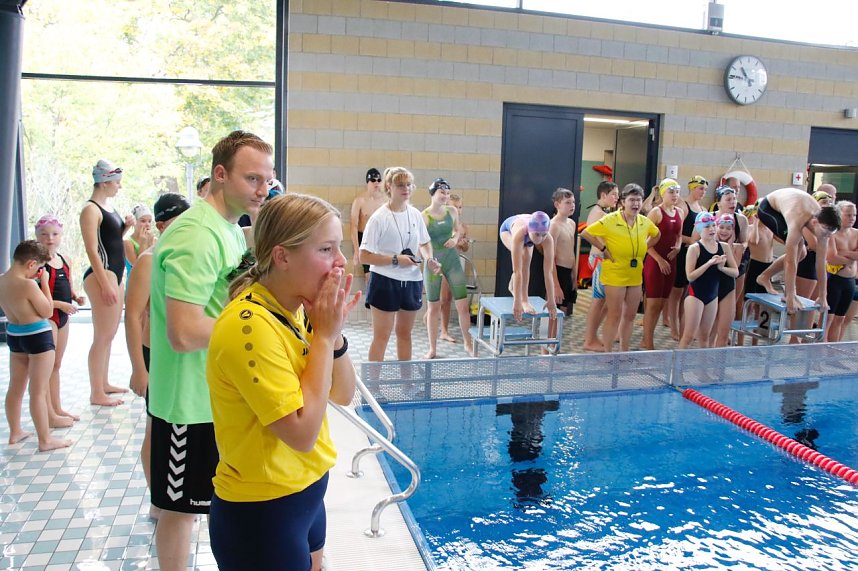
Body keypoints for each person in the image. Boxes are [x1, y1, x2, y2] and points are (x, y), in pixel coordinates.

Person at [207, 193, 359, 571]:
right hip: (261, 514)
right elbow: (301, 433)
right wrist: (323, 337)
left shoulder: (295, 309)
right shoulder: (249, 327)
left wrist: (333, 335)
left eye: (338, 248)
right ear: (282, 256)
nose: (340, 261)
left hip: (305, 494)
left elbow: (343, 393)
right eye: (326, 249)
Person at [148, 131, 275, 571]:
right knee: (180, 510)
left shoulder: (228, 228)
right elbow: (182, 332)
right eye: (253, 178)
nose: (264, 189)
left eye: (268, 179)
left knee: (215, 503)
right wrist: (257, 329)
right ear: (220, 175)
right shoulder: (198, 235)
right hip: (188, 402)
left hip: (213, 396)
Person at [124, 193, 190, 520]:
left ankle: (175, 498)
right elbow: (133, 315)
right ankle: (157, 501)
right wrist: (139, 369)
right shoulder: (149, 259)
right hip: (155, 355)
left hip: (181, 356)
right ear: (162, 225)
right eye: (180, 222)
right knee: (156, 429)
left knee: (176, 426)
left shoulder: (185, 255)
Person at [360, 167, 440, 362]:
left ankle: (406, 383)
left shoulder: (415, 215)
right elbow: (364, 256)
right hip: (385, 280)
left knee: (405, 334)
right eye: (400, 185)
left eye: (409, 185)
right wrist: (396, 259)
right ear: (389, 187)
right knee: (382, 337)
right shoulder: (379, 218)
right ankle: (373, 385)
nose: (406, 189)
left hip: (411, 280)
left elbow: (424, 242)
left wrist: (429, 258)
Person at [0, 240, 72, 451]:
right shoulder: (29, 284)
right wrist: (45, 284)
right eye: (40, 268)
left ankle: (15, 432)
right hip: (38, 335)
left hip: (14, 334)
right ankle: (45, 440)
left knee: (16, 387)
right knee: (38, 391)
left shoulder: (2, 281)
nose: (39, 272)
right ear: (31, 264)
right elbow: (47, 311)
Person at [581, 183, 660, 352]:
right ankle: (608, 352)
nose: (636, 204)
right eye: (631, 200)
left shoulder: (644, 222)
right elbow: (586, 233)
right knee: (614, 314)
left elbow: (657, 234)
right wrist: (603, 249)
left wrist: (645, 246)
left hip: (634, 275)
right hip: (615, 274)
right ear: (623, 202)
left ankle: (624, 351)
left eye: (638, 200)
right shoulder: (610, 220)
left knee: (630, 316)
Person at [80, 159, 133, 406]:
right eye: (116, 182)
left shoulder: (105, 207)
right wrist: (105, 283)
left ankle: (104, 383)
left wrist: (126, 228)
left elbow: (110, 241)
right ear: (104, 181)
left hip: (114, 272)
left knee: (109, 334)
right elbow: (92, 249)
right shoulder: (90, 210)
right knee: (102, 335)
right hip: (103, 274)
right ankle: (95, 392)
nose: (119, 187)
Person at [755, 187, 841, 313]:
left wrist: (823, 296)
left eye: (830, 234)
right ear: (815, 222)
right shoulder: (798, 220)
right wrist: (790, 295)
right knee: (798, 248)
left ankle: (764, 276)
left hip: (792, 202)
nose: (826, 236)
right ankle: (777, 285)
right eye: (825, 232)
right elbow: (790, 261)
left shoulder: (824, 230)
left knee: (802, 253)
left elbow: (822, 262)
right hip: (769, 207)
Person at [34, 215, 84, 425]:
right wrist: (61, 305)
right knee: (46, 368)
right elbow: (35, 300)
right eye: (44, 235)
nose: (50, 239)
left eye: (55, 234)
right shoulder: (36, 264)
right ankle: (48, 414)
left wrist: (75, 296)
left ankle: (57, 407)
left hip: (63, 316)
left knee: (56, 365)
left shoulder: (63, 260)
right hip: (48, 317)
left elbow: (67, 285)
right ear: (37, 237)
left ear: (61, 236)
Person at [422, 178, 474, 358]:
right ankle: (432, 349)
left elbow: (457, 230)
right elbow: (422, 244)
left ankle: (468, 343)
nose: (444, 196)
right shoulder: (424, 216)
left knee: (462, 305)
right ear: (433, 193)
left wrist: (454, 238)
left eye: (447, 193)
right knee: (433, 307)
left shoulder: (452, 211)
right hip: (433, 265)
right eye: (441, 193)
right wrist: (429, 259)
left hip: (452, 261)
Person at [678, 212, 738, 349]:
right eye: (707, 227)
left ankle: (702, 371)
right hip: (695, 296)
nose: (711, 229)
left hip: (712, 297)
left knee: (705, 337)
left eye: (713, 226)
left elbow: (735, 272)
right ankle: (676, 370)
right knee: (689, 336)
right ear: (699, 229)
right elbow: (690, 276)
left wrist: (722, 268)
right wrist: (709, 264)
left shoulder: (724, 247)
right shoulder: (695, 248)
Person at [641, 178, 683, 350]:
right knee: (652, 303)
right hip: (655, 262)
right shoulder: (656, 213)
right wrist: (658, 259)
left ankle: (648, 337)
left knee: (662, 303)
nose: (675, 195)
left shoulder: (680, 212)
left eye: (677, 192)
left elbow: (679, 235)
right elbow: (644, 241)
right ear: (663, 193)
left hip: (671, 262)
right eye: (671, 192)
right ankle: (647, 341)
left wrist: (679, 248)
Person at [667, 175, 708, 341]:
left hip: (696, 254)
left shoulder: (704, 209)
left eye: (705, 189)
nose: (703, 192)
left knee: (687, 293)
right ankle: (673, 327)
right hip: (683, 253)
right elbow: (675, 232)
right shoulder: (682, 205)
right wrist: (689, 240)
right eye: (701, 189)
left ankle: (685, 327)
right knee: (676, 293)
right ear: (692, 188)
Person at [499, 211, 558, 322]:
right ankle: (520, 296)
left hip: (528, 235)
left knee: (526, 263)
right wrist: (517, 302)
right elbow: (517, 271)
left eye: (543, 234)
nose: (540, 239)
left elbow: (548, 272)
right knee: (521, 259)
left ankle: (524, 299)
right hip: (507, 230)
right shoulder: (519, 234)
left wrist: (551, 299)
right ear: (531, 230)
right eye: (537, 234)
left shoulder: (548, 239)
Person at [581, 181, 619, 351]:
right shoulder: (598, 213)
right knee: (598, 302)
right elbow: (587, 234)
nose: (616, 198)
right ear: (603, 195)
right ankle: (589, 340)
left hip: (602, 260)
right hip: (599, 260)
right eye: (614, 194)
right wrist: (604, 249)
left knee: (603, 302)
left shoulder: (602, 212)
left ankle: (593, 335)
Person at [439, 193, 470, 343]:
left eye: (460, 207)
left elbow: (465, 247)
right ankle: (443, 330)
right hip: (443, 264)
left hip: (456, 265)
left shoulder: (463, 227)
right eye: (454, 207)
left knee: (453, 298)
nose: (458, 210)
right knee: (444, 299)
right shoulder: (442, 226)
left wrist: (463, 244)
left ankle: (442, 327)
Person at [824, 201, 857, 341]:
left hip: (849, 281)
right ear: (839, 214)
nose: (852, 218)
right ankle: (819, 352)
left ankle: (832, 353)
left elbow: (838, 256)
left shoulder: (856, 233)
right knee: (828, 319)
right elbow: (831, 258)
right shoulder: (832, 234)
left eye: (854, 215)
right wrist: (851, 256)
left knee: (840, 319)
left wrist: (843, 253)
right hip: (834, 280)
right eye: (848, 215)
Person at [711, 214, 744, 347]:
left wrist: (722, 267)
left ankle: (718, 365)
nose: (725, 231)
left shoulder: (737, 247)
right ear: (716, 227)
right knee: (709, 333)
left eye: (728, 228)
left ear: (733, 231)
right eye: (722, 227)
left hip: (728, 288)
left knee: (723, 334)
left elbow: (735, 271)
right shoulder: (708, 245)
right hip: (712, 288)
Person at [350, 168, 385, 275]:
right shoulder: (359, 201)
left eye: (379, 180)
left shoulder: (385, 201)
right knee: (369, 274)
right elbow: (353, 226)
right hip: (365, 239)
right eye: (373, 180)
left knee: (382, 272)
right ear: (368, 182)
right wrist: (356, 250)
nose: (376, 183)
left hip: (381, 238)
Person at [123, 204, 156, 277]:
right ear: (135, 223)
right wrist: (143, 242)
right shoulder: (128, 243)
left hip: (151, 283)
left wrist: (150, 243)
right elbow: (139, 266)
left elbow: (156, 264)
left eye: (149, 221)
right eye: (143, 221)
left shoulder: (155, 240)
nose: (147, 224)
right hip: (135, 283)